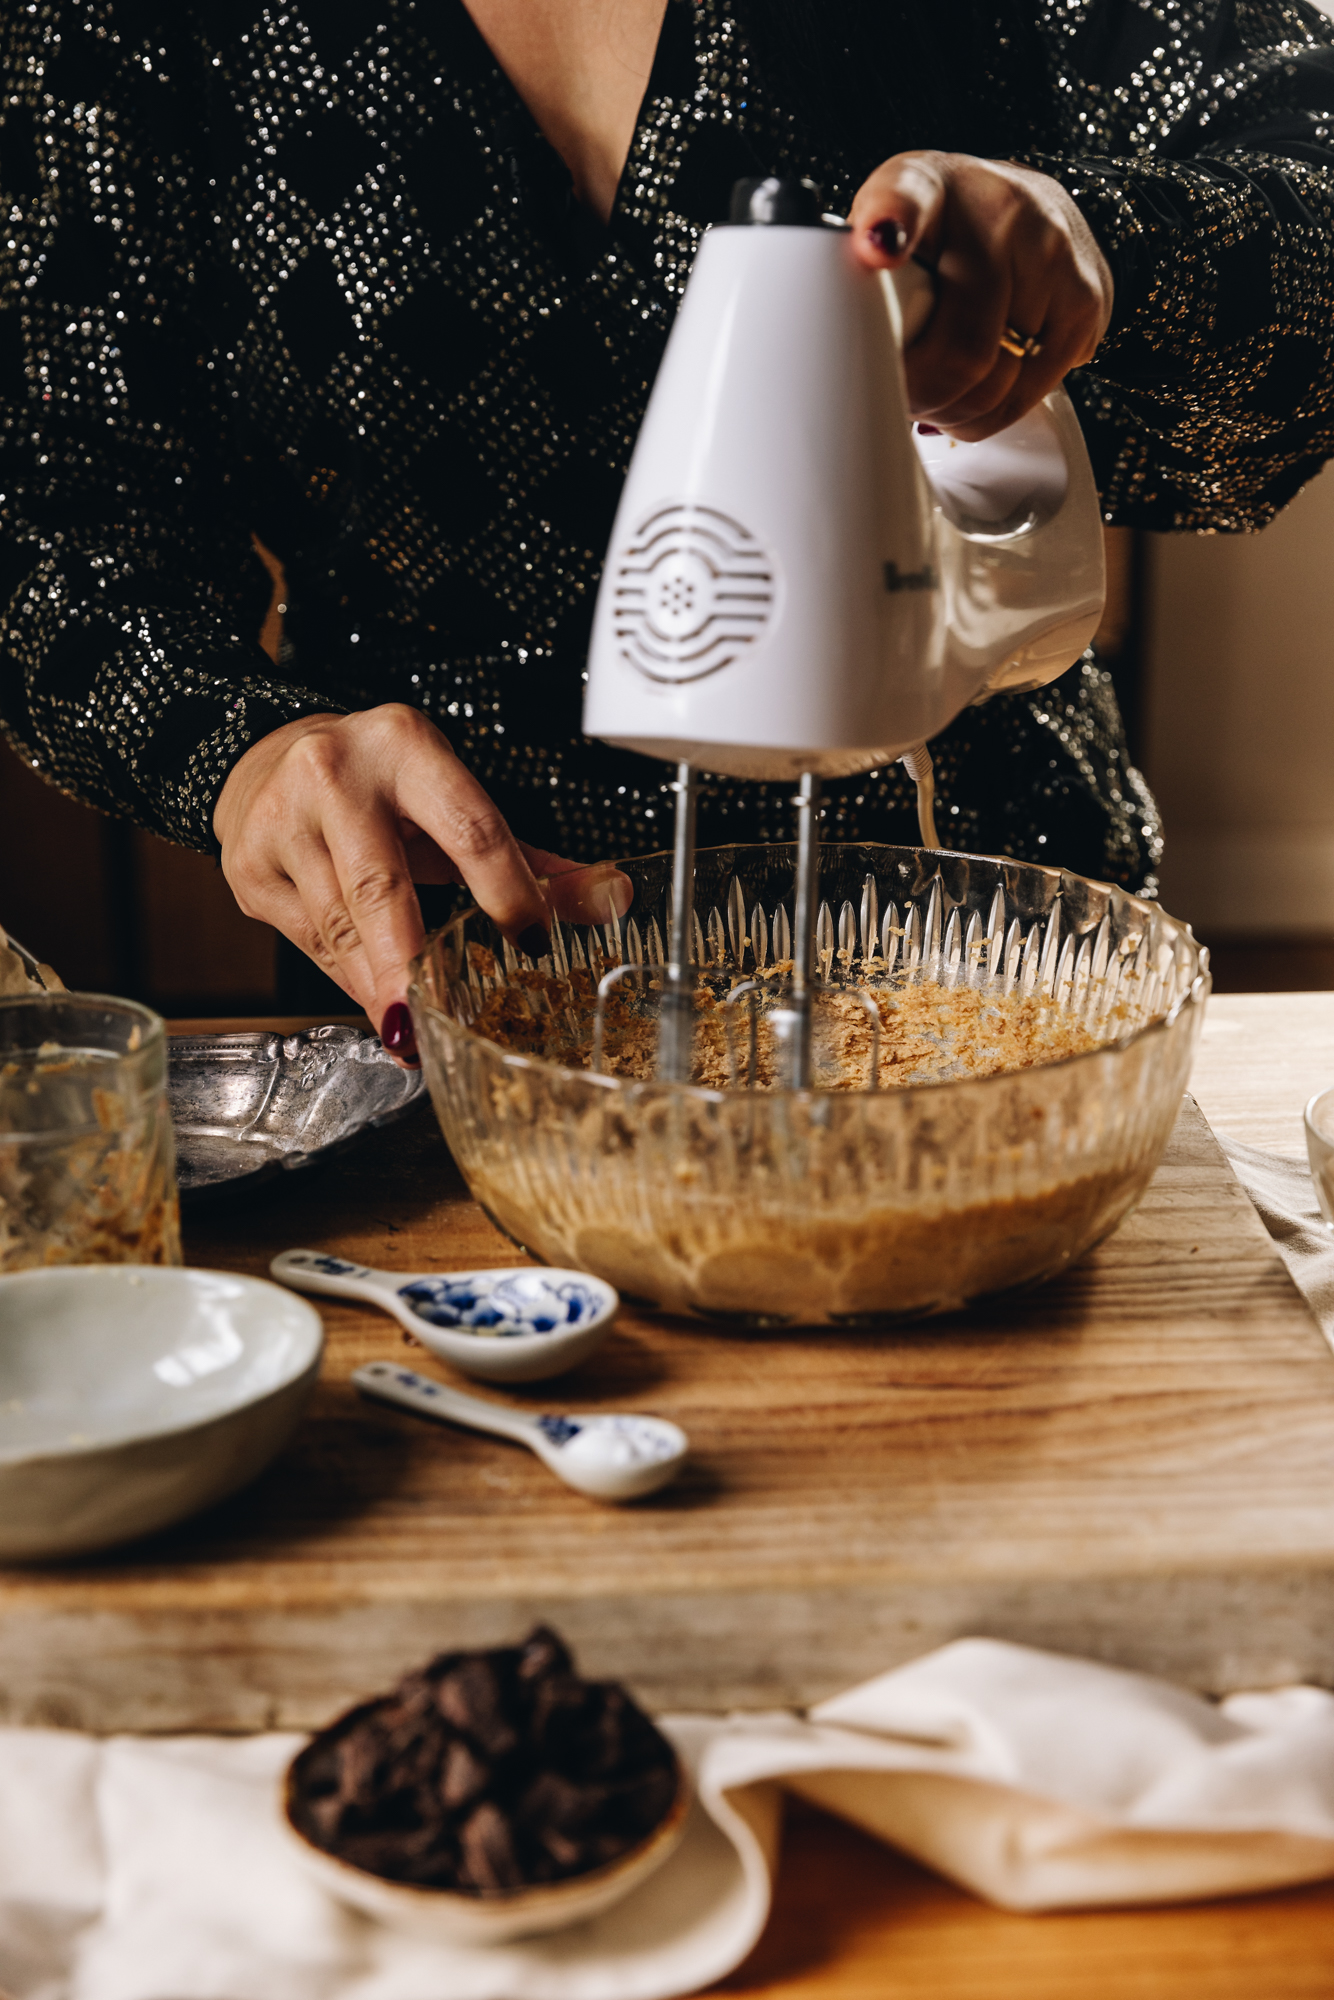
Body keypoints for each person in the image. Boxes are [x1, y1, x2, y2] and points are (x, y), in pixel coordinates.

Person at [2, 0, 1333, 1057]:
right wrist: (242, 756)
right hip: (453, 989)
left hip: (996, 948)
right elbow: (48, 507)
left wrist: (1094, 242)